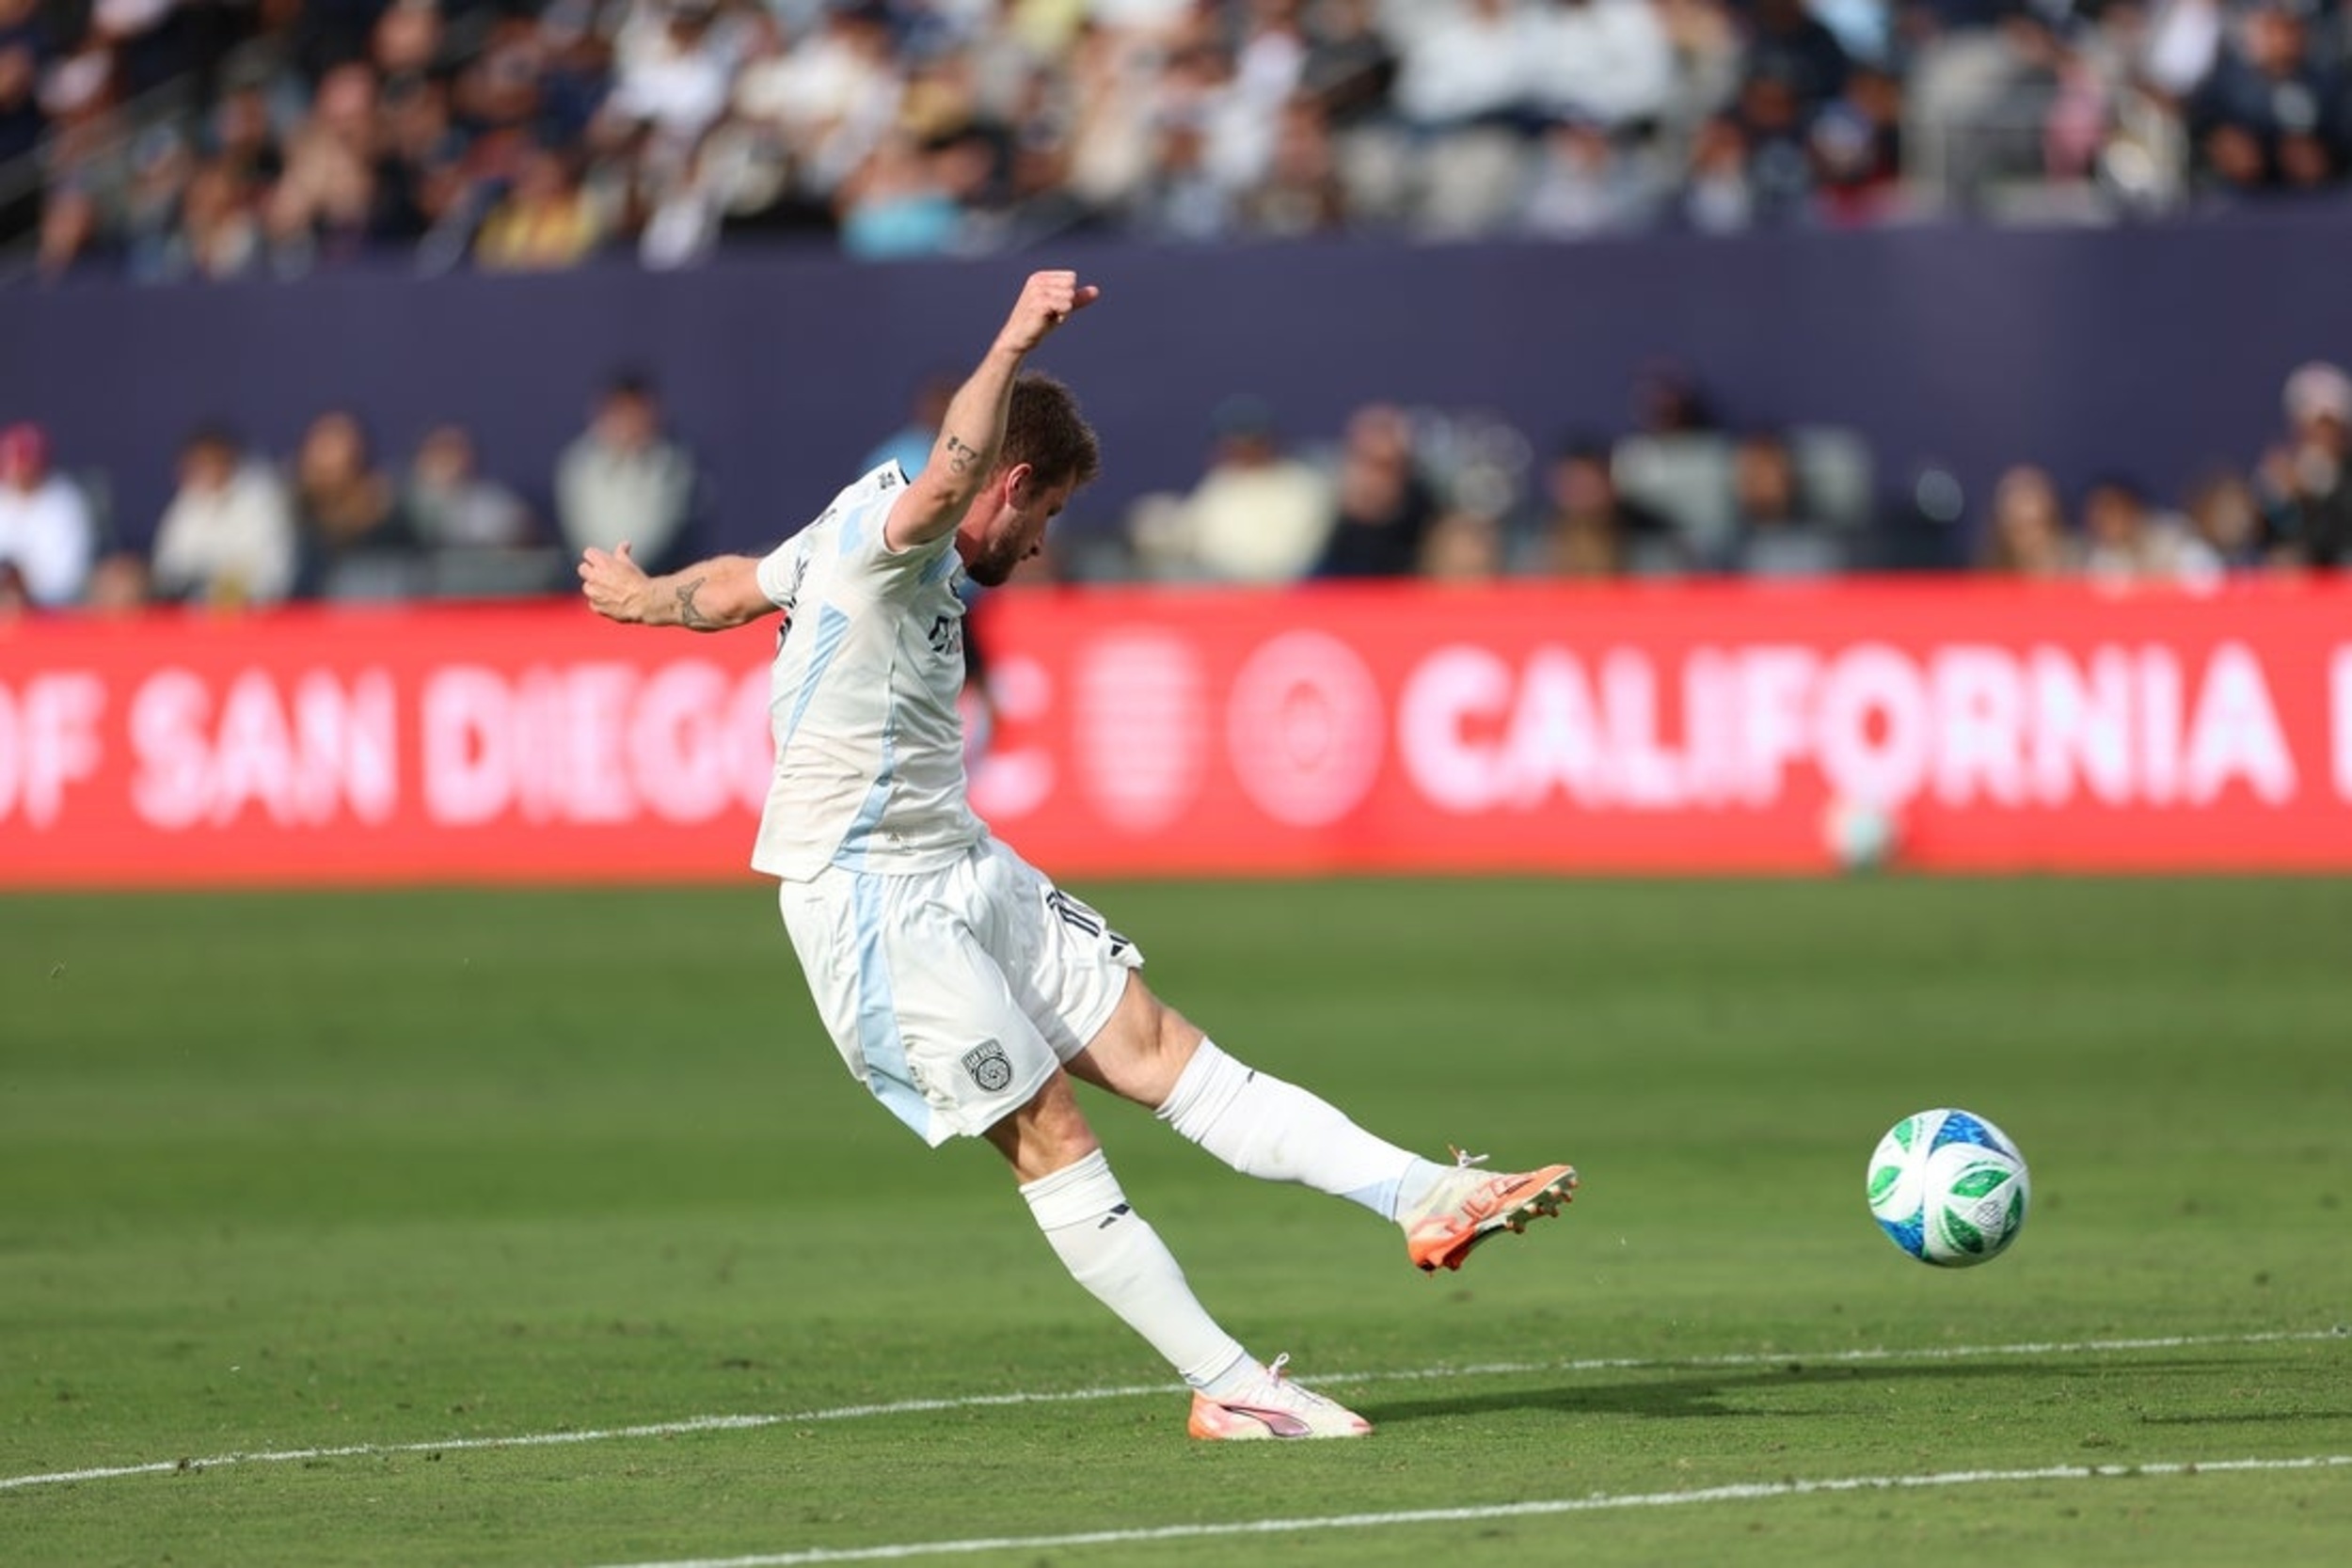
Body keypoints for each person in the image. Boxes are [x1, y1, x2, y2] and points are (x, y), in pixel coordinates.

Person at [578, 271, 1576, 1442]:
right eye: (1043, 511)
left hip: (962, 862)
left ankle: (1424, 1193)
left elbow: (734, 587)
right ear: (1006, 484)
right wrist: (1012, 337)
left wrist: (646, 598)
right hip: (873, 904)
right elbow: (950, 472)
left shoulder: (860, 525)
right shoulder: (903, 533)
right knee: (1052, 1131)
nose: (1043, 541)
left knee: (1167, 1050)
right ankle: (1228, 1382)